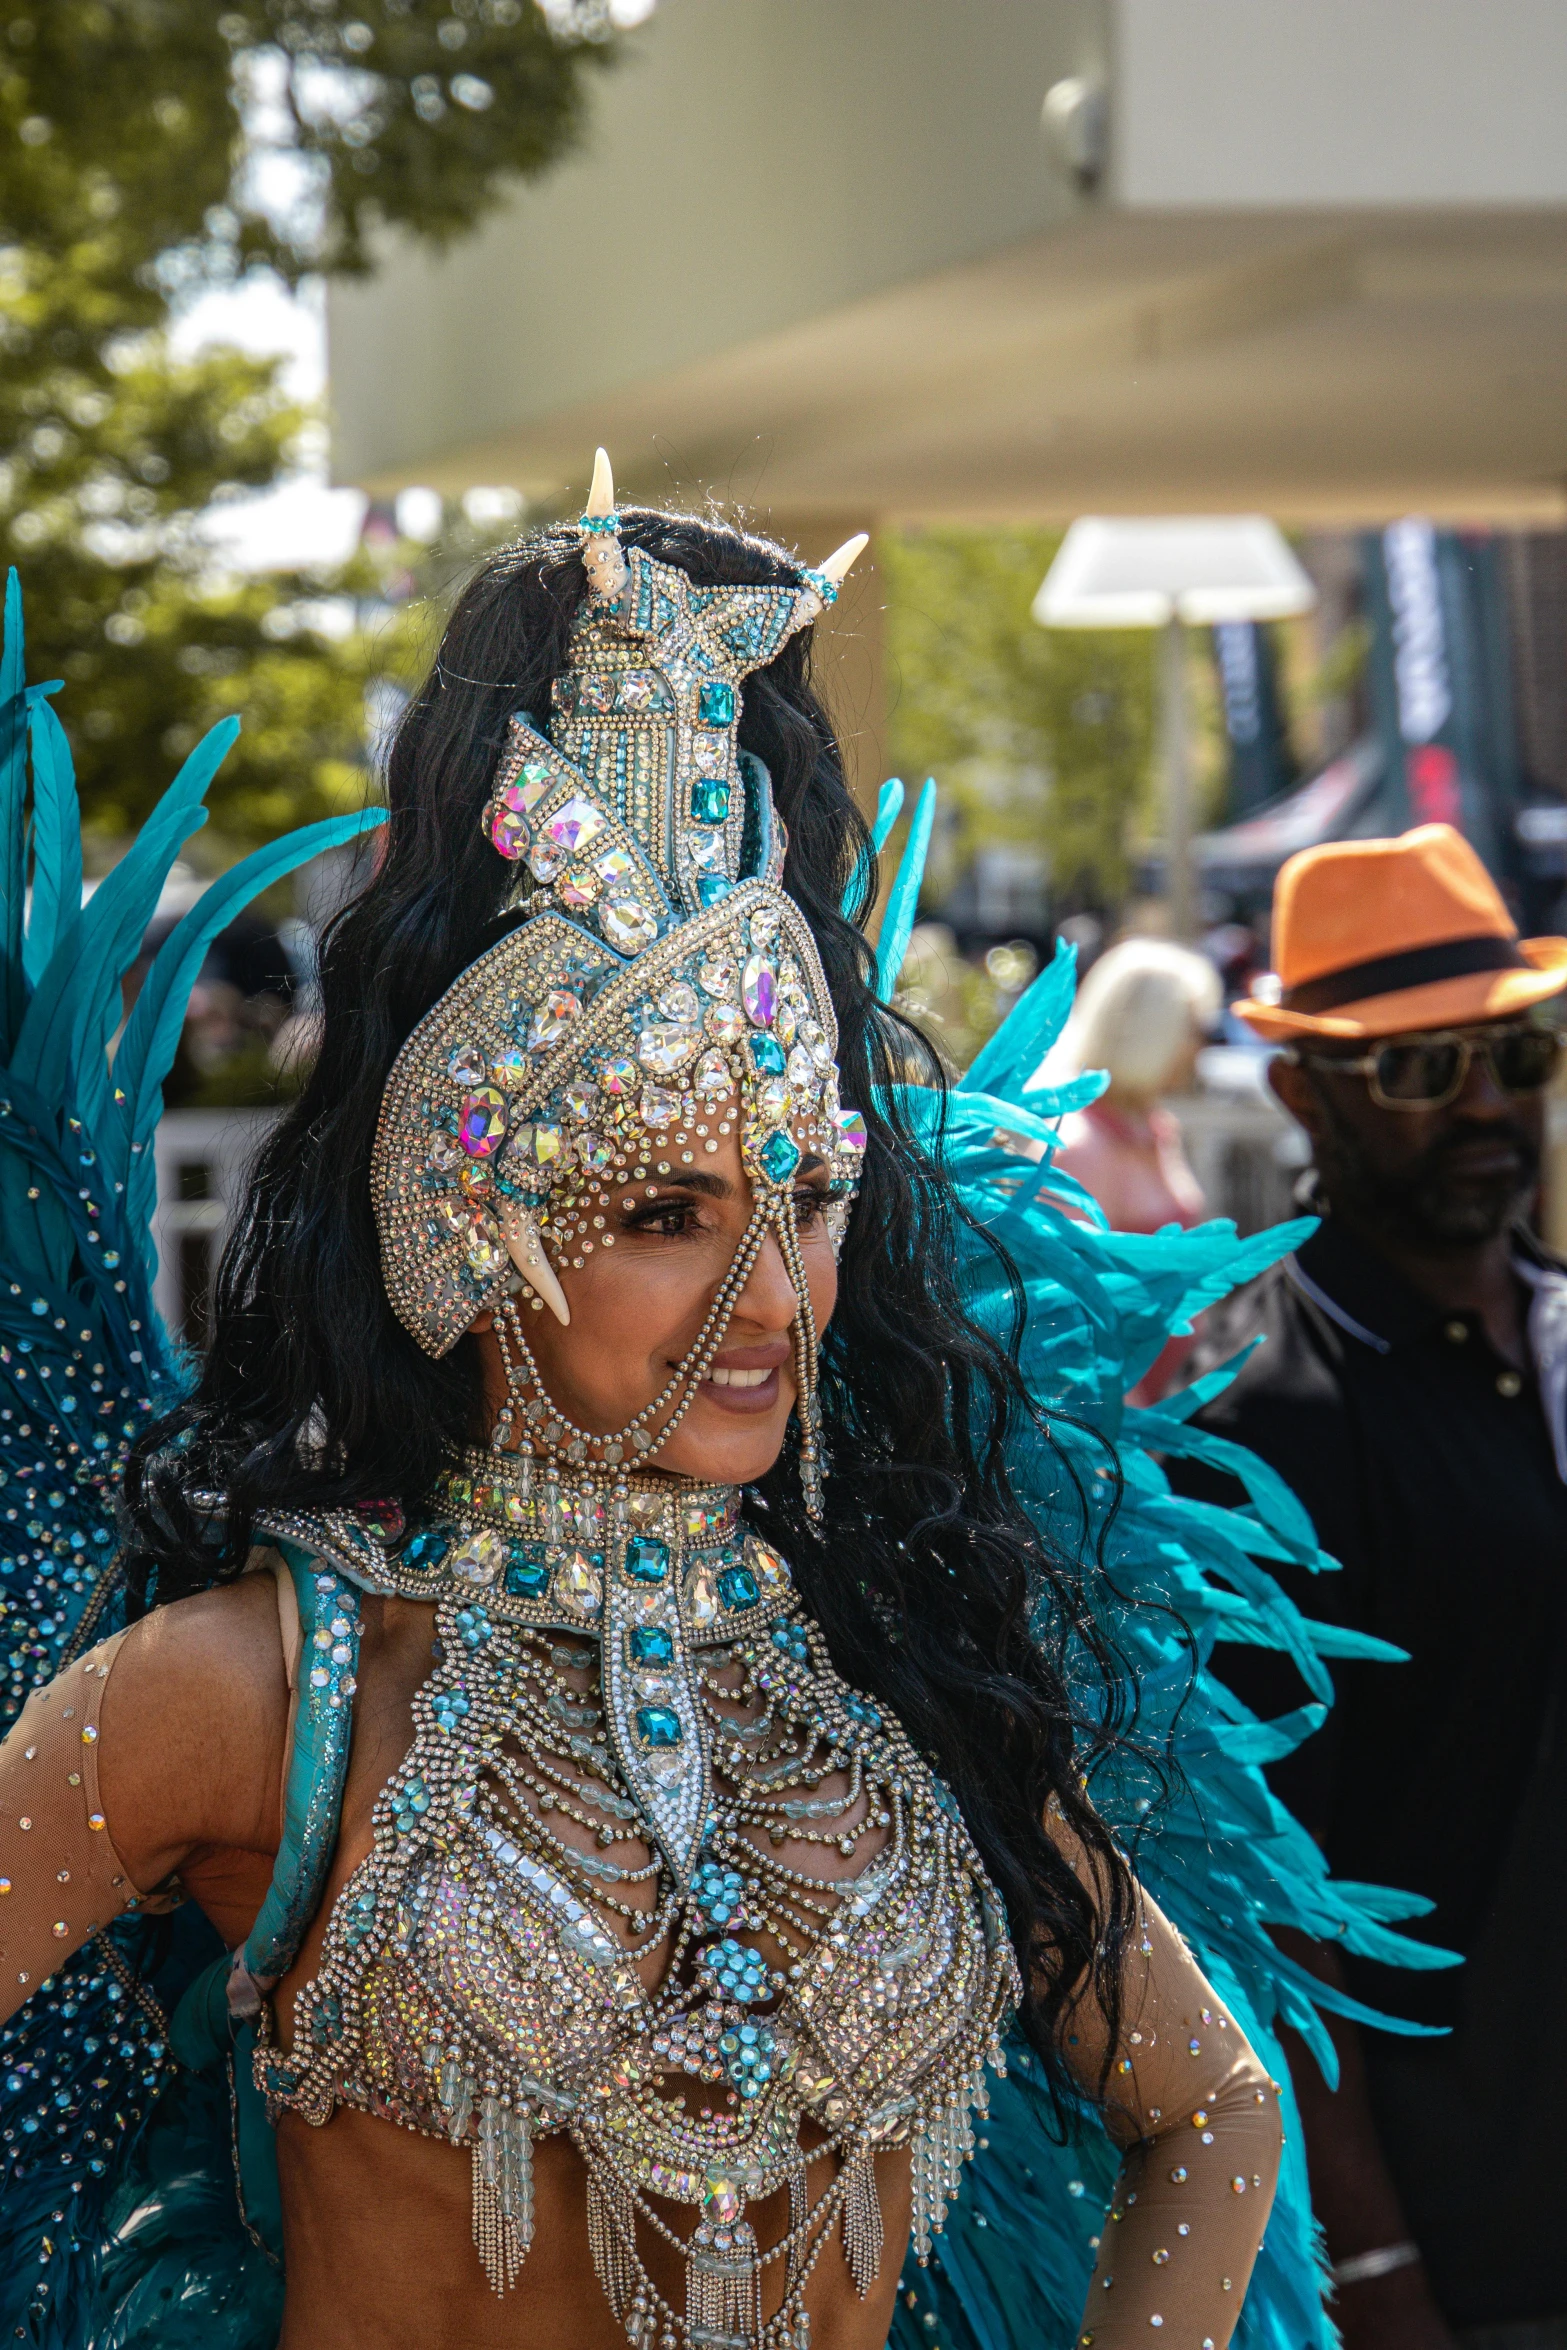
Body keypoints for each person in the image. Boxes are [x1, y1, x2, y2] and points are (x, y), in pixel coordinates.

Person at [2, 464, 1402, 2350]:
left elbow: (1212, 2105)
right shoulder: (256, 1694)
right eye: (665, 1217)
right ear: (463, 1228)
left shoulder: (894, 1668)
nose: (768, 1302)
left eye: (802, 1203)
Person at [1173, 823, 1567, 2350]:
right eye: (1417, 1071)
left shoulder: (1548, 1325)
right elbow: (1265, 1901)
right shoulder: (1264, 1415)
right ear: (1300, 1091)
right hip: (1470, 2239)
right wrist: (1376, 2270)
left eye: (1510, 1053)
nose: (1481, 1104)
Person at [1047, 937, 1219, 1401]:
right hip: (1128, 1434)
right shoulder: (1083, 1149)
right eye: (1191, 1026)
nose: (1200, 1043)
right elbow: (1069, 1317)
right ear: (1149, 1028)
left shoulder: (1156, 1128)